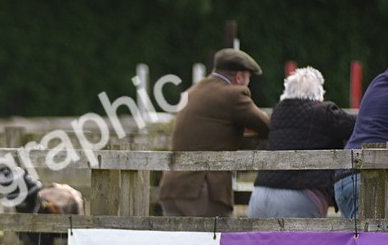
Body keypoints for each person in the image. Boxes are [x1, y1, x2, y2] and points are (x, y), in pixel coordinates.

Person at [158, 48, 271, 217]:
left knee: (183, 244)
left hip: (171, 188)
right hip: (202, 191)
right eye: (248, 79)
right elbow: (268, 127)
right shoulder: (234, 94)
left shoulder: (192, 91)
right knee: (219, 241)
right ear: (239, 77)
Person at [248, 67, 355, 218]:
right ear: (319, 92)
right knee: (304, 242)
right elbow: (359, 125)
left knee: (261, 242)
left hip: (260, 194)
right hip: (299, 196)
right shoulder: (324, 112)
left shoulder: (278, 112)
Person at [334, 66, 388, 219]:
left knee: (364, 241)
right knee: (374, 242)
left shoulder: (378, 82)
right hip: (368, 178)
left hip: (344, 178)